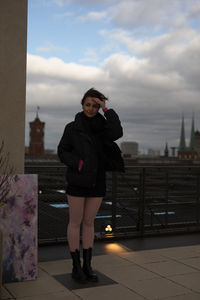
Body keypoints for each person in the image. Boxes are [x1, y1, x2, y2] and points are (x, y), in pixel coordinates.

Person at [57, 88, 124, 283]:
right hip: (78, 180)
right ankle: (75, 265)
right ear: (82, 105)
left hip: (97, 180)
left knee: (88, 223)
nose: (91, 109)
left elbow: (117, 132)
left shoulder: (104, 127)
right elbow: (62, 151)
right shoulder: (72, 127)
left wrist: (107, 109)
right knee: (75, 222)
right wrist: (78, 163)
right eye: (88, 104)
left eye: (95, 106)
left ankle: (87, 265)